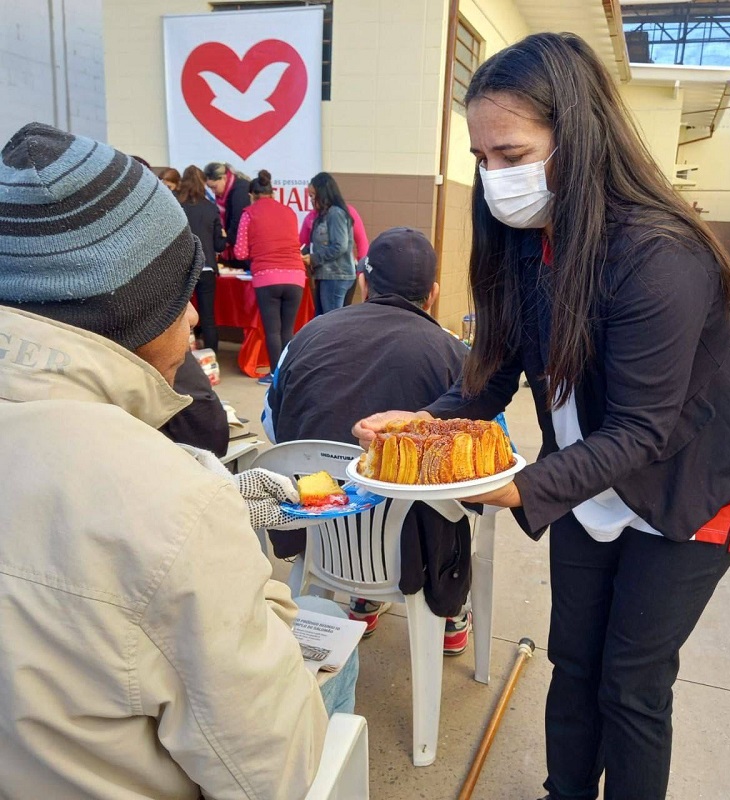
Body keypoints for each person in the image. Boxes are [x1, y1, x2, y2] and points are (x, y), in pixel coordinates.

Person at [353, 34, 730, 800]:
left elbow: (646, 428)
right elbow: (489, 381)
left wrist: (520, 486)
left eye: (511, 154)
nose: (494, 178)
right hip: (590, 481)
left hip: (688, 483)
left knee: (633, 683)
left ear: (577, 136)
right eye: (482, 159)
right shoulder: (525, 244)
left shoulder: (659, 252)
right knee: (574, 660)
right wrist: (417, 425)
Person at [0, 123, 357, 799]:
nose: (196, 320)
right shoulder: (171, 507)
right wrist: (235, 552)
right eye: (181, 296)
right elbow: (275, 773)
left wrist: (216, 491)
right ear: (130, 311)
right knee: (337, 666)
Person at [266, 227, 473, 651]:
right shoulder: (457, 356)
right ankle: (451, 619)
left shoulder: (306, 336)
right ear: (432, 294)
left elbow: (275, 428)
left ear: (363, 281)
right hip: (416, 547)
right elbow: (484, 463)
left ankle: (362, 601)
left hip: (320, 532)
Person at [234, 169, 307, 387]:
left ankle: (275, 375)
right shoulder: (289, 212)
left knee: (273, 331)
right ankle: (288, 373)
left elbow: (240, 252)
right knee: (288, 330)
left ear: (252, 195)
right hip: (296, 275)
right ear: (272, 193)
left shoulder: (249, 213)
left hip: (267, 278)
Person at [177, 164, 226, 355]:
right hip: (206, 268)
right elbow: (219, 245)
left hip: (183, 268)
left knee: (180, 315)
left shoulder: (176, 206)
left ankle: (184, 357)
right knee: (208, 316)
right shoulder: (211, 208)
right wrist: (223, 236)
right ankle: (211, 357)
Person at [298, 192, 368, 306]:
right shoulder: (311, 217)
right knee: (324, 315)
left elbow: (362, 242)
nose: (311, 199)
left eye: (313, 195)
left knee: (336, 315)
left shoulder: (345, 212)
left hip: (342, 272)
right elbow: (301, 245)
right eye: (310, 196)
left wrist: (362, 273)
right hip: (321, 273)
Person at [303, 172, 355, 314]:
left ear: (323, 193)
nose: (311, 200)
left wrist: (314, 258)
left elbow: (340, 245)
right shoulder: (323, 215)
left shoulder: (335, 213)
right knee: (322, 318)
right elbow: (317, 244)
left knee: (330, 320)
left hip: (336, 275)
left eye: (313, 196)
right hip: (326, 275)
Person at [204, 161, 250, 270]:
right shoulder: (225, 193)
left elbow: (237, 222)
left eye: (214, 187)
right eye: (210, 188)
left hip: (243, 248)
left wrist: (224, 242)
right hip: (233, 245)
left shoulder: (240, 191)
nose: (213, 191)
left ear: (223, 178)